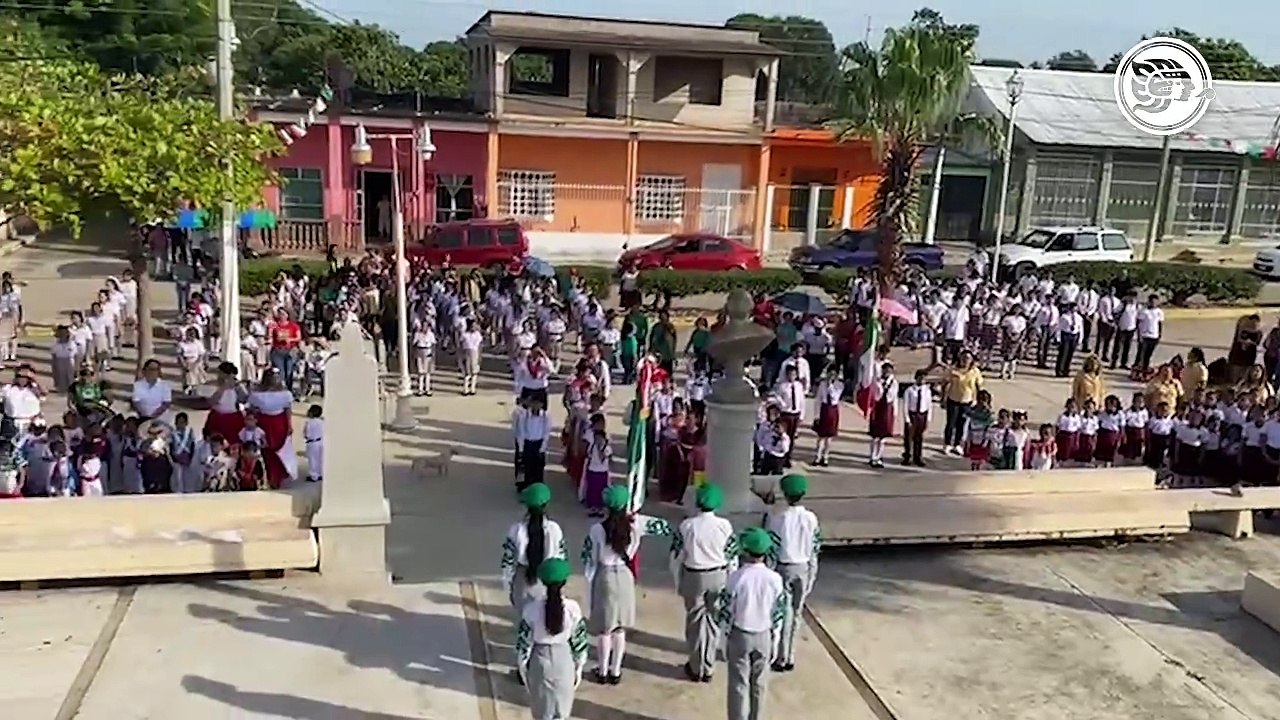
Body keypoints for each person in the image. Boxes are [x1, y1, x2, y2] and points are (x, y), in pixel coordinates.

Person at [580, 485, 672, 685]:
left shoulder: (596, 530)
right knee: (620, 628)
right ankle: (616, 671)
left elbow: (589, 558)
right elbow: (664, 527)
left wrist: (589, 582)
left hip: (605, 576)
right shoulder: (636, 525)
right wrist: (637, 517)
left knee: (605, 628)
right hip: (625, 576)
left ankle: (602, 671)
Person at [717, 527, 788, 720]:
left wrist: (723, 639)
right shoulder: (775, 579)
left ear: (745, 550)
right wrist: (775, 640)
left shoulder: (736, 578)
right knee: (760, 684)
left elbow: (726, 611)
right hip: (764, 634)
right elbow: (778, 613)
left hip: (740, 634)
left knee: (738, 683)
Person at [668, 484, 737, 683]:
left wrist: (677, 581)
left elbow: (675, 556)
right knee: (713, 621)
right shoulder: (725, 526)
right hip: (718, 575)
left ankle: (696, 665)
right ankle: (709, 665)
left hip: (694, 575)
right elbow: (732, 555)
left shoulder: (687, 526)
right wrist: (731, 580)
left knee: (695, 623)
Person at [514, 557, 589, 720]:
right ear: (564, 582)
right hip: (564, 660)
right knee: (562, 711)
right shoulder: (573, 609)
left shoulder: (531, 609)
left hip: (540, 661)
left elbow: (523, 645)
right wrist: (579, 667)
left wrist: (523, 669)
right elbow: (580, 642)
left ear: (542, 581)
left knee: (543, 712)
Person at [761, 473, 820, 672]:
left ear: (784, 494)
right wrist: (812, 573)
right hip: (803, 567)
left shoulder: (777, 517)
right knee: (796, 612)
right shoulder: (811, 518)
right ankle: (790, 655)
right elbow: (815, 548)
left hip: (782, 567)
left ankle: (779, 655)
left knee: (781, 613)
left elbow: (772, 546)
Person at [502, 483, 568, 610]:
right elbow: (562, 558)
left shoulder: (516, 530)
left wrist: (508, 586)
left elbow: (508, 563)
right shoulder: (555, 529)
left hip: (523, 581)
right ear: (546, 504)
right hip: (549, 580)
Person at [247, 368, 297, 488]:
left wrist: (289, 425)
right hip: (263, 422)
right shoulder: (257, 394)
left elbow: (288, 410)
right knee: (266, 449)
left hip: (279, 422)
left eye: (276, 377)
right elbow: (252, 409)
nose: (274, 380)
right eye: (272, 377)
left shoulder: (285, 394)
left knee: (279, 449)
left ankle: (280, 475)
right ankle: (270, 476)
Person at [514, 396, 551, 492]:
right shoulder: (524, 415)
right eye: (534, 403)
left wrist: (542, 448)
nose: (536, 405)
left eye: (538, 403)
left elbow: (546, 433)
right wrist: (521, 448)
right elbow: (521, 432)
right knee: (527, 467)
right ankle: (526, 487)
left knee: (538, 468)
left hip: (539, 444)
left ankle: (537, 489)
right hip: (528, 444)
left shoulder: (545, 416)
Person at [902, 369, 932, 467]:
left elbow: (929, 406)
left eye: (924, 378)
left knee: (919, 437)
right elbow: (905, 405)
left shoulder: (927, 391)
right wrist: (907, 419)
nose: (922, 380)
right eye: (920, 378)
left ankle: (918, 457)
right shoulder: (909, 390)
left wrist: (928, 419)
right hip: (912, 414)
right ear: (916, 378)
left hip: (922, 415)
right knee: (909, 437)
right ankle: (908, 456)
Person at [303, 404, 324, 482]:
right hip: (320, 441)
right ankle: (320, 473)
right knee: (320, 458)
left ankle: (314, 476)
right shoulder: (322, 422)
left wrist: (306, 436)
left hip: (312, 442)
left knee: (312, 459)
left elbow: (306, 434)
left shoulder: (309, 422)